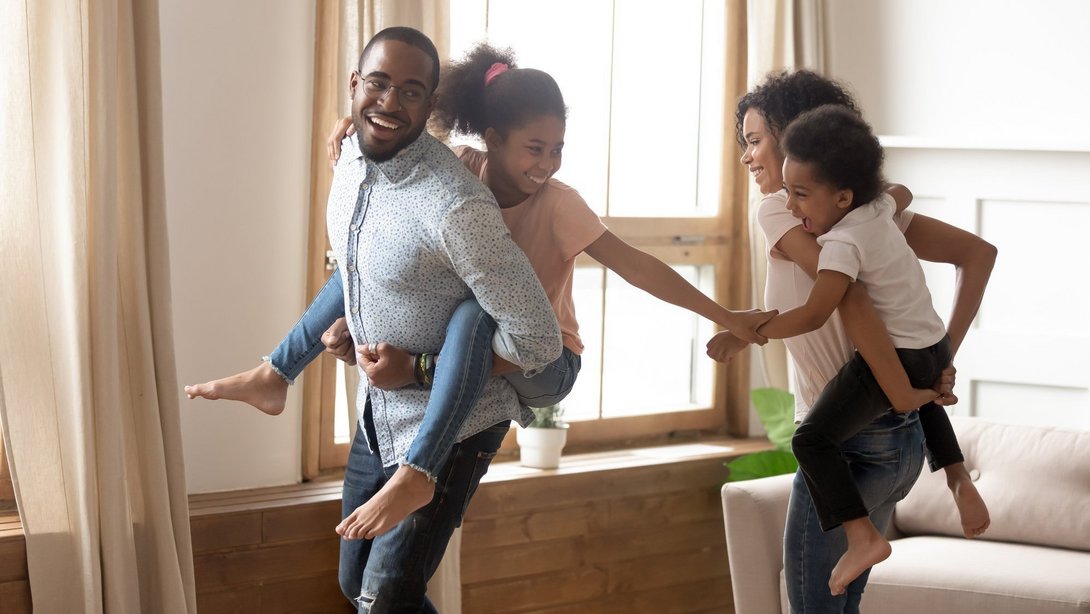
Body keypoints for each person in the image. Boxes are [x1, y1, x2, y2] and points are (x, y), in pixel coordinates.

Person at [188, 42, 773, 541]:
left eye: (557, 149)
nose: (547, 164)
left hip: (545, 360)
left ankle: (417, 456)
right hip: (475, 349)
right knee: (362, 265)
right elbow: (399, 147)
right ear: (492, 139)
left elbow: (637, 266)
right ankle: (277, 372)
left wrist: (727, 315)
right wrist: (354, 126)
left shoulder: (559, 204)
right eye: (534, 149)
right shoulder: (457, 172)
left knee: (473, 313)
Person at [190, 27, 564, 613]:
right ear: (354, 85)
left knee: (382, 600)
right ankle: (274, 373)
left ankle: (415, 470)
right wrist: (348, 328)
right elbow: (358, 270)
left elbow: (538, 339)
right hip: (379, 412)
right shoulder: (351, 162)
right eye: (379, 84)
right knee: (358, 583)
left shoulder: (457, 204)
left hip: (454, 429)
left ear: (430, 103)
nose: (390, 103)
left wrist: (420, 370)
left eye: (412, 92)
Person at [708, 70, 995, 612]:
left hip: (848, 439)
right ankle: (952, 475)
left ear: (797, 135)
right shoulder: (865, 209)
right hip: (903, 444)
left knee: (814, 606)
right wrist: (935, 358)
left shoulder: (779, 207)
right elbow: (978, 254)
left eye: (754, 140)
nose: (747, 158)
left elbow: (849, 300)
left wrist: (749, 331)